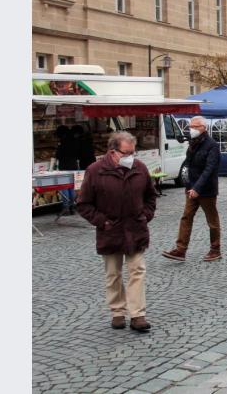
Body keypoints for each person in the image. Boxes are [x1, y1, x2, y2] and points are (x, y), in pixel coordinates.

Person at [76, 131, 157, 332]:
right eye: (127, 152)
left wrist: (145, 215)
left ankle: (138, 314)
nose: (131, 156)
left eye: (133, 152)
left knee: (137, 271)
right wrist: (102, 222)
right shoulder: (95, 171)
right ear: (113, 152)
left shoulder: (139, 168)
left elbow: (150, 196)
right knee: (113, 273)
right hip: (110, 230)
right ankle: (117, 312)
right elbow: (84, 204)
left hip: (135, 229)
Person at [162, 116, 222, 262]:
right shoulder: (193, 143)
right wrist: (188, 185)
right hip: (191, 189)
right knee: (186, 217)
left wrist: (197, 188)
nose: (191, 129)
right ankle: (180, 250)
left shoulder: (212, 145)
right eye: (190, 126)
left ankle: (215, 249)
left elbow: (209, 170)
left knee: (212, 221)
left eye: (195, 126)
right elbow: (188, 164)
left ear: (203, 127)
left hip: (206, 190)